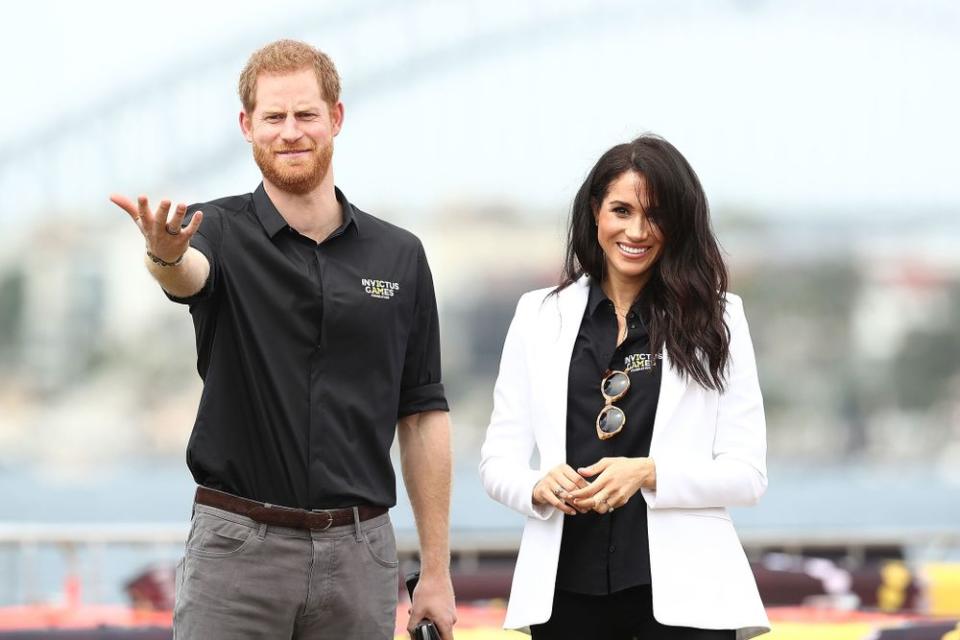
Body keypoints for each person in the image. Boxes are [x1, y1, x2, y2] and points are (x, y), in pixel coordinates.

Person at [109, 39, 456, 640]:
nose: (290, 131)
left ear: (336, 119)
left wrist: (437, 571)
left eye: (305, 115)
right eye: (273, 117)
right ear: (247, 126)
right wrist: (162, 255)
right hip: (238, 554)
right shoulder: (212, 230)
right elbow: (188, 275)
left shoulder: (400, 255)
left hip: (360, 555)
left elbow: (423, 414)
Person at [479, 135, 770, 639]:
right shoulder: (537, 315)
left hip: (687, 599)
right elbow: (497, 462)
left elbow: (747, 476)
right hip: (564, 593)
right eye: (621, 210)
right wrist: (536, 485)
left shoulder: (720, 318)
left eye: (655, 215)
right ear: (596, 212)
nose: (636, 231)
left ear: (679, 222)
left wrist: (649, 473)